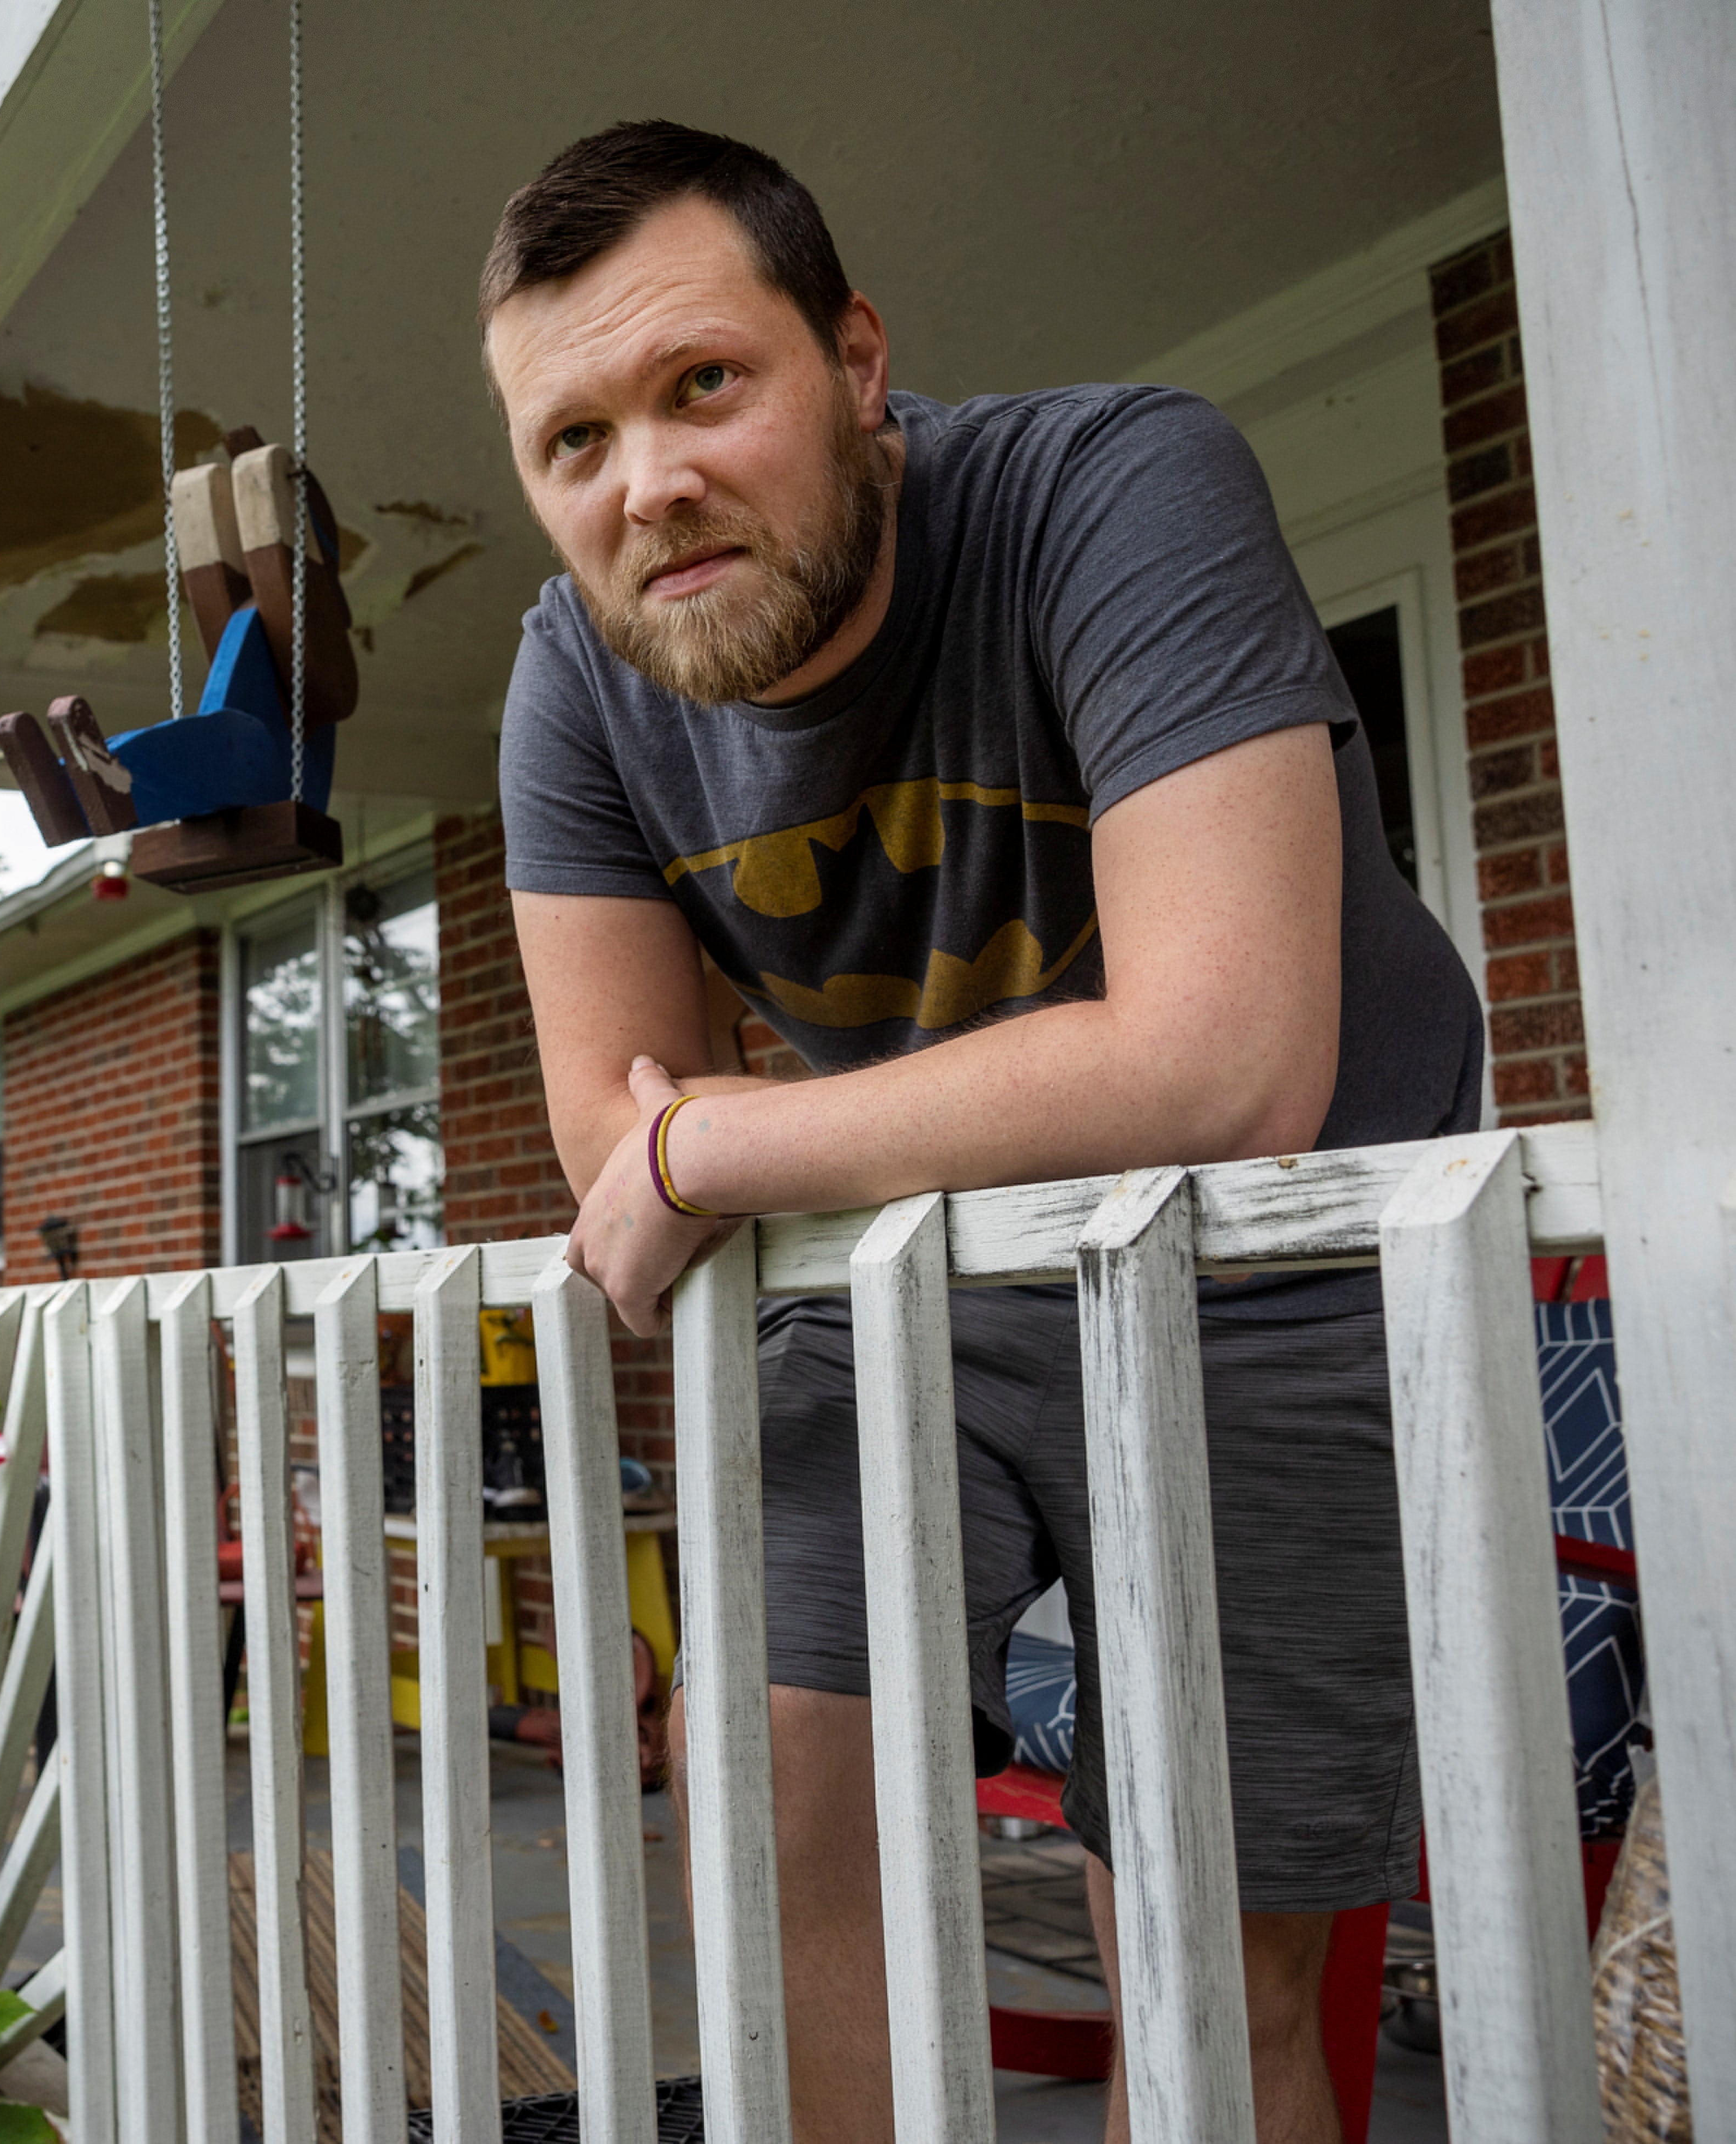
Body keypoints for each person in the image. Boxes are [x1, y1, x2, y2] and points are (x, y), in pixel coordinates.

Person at [481, 121, 1481, 2141]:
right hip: (910, 1260)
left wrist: (721, 1148)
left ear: (855, 365)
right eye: (570, 441)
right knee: (760, 1807)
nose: (647, 483)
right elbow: (607, 1109)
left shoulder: (1115, 489)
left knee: (1202, 1953)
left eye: (703, 386)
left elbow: (1225, 1064)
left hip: (1276, 1250)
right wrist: (687, 1147)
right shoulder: (574, 677)